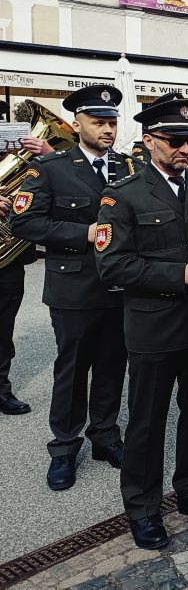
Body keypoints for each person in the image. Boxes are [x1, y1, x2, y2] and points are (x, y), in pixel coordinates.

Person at [94, 94, 188, 550]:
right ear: (149, 141)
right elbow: (112, 266)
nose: (185, 149)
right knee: (147, 422)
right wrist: (179, 273)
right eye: (174, 140)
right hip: (153, 326)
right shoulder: (123, 194)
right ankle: (143, 508)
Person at [12, 84, 143, 491]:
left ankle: (104, 435)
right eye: (98, 122)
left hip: (120, 286)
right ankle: (64, 447)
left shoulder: (128, 168)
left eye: (112, 122)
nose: (108, 129)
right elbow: (25, 223)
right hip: (74, 289)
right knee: (72, 369)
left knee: (112, 365)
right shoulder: (49, 169)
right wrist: (84, 232)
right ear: (75, 124)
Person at [0, 110, 56, 416]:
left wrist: (49, 154)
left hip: (8, 261)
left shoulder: (23, 158)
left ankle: (1, 388)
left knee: (3, 326)